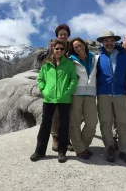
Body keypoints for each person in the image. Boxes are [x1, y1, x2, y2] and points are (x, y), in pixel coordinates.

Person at [30, 39, 77, 163]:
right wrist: (44, 91)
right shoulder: (46, 65)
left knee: (63, 125)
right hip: (49, 99)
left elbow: (73, 80)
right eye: (57, 49)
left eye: (62, 49)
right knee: (45, 125)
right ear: (53, 49)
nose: (59, 51)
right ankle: (39, 151)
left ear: (64, 50)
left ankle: (62, 152)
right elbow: (40, 80)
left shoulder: (69, 64)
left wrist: (67, 92)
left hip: (64, 99)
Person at [96, 31, 126, 165]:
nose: (109, 43)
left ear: (115, 42)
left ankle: (125, 150)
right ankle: (110, 148)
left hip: (121, 94)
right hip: (103, 94)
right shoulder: (97, 57)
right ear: (102, 42)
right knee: (106, 122)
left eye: (111, 40)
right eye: (106, 41)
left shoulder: (124, 56)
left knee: (124, 123)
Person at [68, 38, 98, 159]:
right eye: (75, 47)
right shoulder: (71, 60)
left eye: (80, 45)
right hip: (76, 94)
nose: (78, 48)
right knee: (75, 122)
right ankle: (79, 149)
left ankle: (83, 145)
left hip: (91, 93)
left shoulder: (94, 58)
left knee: (92, 122)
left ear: (84, 45)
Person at [48, 24, 74, 152]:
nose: (63, 36)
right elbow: (46, 66)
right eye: (60, 34)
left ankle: (66, 139)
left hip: (68, 86)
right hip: (54, 87)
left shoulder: (72, 48)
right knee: (55, 115)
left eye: (65, 34)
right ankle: (55, 138)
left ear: (68, 35)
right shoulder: (53, 48)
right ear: (57, 36)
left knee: (67, 115)